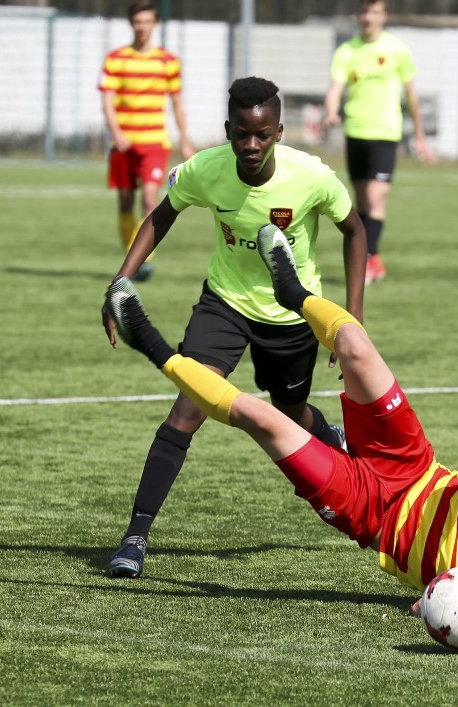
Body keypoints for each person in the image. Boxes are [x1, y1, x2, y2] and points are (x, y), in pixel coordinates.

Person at [103, 224, 458, 611]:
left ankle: (150, 343)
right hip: (413, 463)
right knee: (355, 346)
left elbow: (444, 606)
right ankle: (293, 291)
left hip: (371, 511)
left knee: (263, 418)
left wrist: (435, 607)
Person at [102, 77, 367, 579]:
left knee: (289, 412)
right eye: (241, 133)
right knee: (189, 406)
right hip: (223, 305)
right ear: (228, 129)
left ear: (279, 132)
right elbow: (161, 214)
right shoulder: (206, 169)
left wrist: (349, 319)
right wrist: (120, 281)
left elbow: (354, 232)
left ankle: (328, 435)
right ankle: (135, 537)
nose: (251, 145)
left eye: (262, 135)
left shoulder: (310, 177)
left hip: (290, 314)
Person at [324, 0, 435, 285]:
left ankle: (368, 257)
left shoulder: (397, 50)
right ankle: (373, 255)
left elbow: (411, 94)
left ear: (383, 15)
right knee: (361, 201)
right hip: (356, 132)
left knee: (375, 198)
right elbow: (335, 88)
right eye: (363, 11)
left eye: (373, 11)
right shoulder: (346, 51)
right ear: (357, 15)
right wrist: (331, 112)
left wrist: (420, 135)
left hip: (385, 132)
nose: (368, 17)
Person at [99, 0, 195, 281]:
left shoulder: (168, 61)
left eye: (147, 22)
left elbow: (177, 104)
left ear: (155, 24)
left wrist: (185, 140)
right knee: (125, 203)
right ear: (131, 23)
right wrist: (116, 132)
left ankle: (141, 261)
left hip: (154, 142)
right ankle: (134, 258)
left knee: (150, 199)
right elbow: (107, 101)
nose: (142, 27)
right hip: (123, 144)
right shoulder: (116, 58)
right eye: (137, 22)